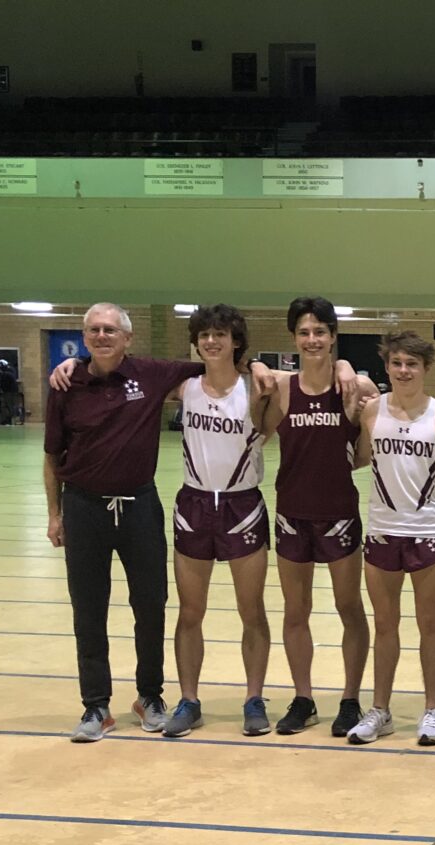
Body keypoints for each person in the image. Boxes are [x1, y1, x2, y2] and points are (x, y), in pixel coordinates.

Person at [44, 304, 206, 742]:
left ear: (128, 337)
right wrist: (54, 513)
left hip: (139, 507)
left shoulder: (150, 374)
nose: (102, 336)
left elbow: (213, 363)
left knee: (150, 605)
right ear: (84, 336)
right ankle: (96, 706)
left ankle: (150, 696)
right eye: (93, 330)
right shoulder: (66, 382)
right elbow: (51, 455)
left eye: (110, 330)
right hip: (83, 508)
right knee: (88, 609)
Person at [346, 331, 435, 746]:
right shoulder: (371, 413)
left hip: (426, 532)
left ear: (426, 369)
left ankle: (432, 711)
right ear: (387, 366)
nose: (403, 371)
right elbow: (356, 457)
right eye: (396, 363)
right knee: (385, 624)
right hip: (382, 532)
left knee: (430, 624)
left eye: (412, 364)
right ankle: (380, 711)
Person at [261, 298, 377, 738]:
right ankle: (304, 698)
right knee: (296, 610)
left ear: (333, 337)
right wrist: (255, 365)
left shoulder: (356, 387)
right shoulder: (283, 389)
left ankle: (350, 699)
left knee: (349, 607)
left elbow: (368, 450)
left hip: (338, 514)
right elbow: (258, 429)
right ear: (295, 339)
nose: (313, 340)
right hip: (292, 514)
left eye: (321, 332)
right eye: (305, 333)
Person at [161, 305, 274, 738]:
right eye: (204, 334)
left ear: (236, 341)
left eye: (221, 334)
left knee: (252, 611)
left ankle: (253, 698)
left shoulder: (259, 387)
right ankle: (189, 700)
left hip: (241, 504)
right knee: (190, 611)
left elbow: (313, 380)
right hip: (193, 505)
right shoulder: (186, 387)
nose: (211, 341)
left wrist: (344, 367)